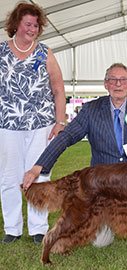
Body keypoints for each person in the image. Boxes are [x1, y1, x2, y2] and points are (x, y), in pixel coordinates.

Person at [23, 62, 127, 247]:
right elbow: (66, 136)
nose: (118, 84)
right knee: (100, 243)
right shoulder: (90, 110)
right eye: (113, 80)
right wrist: (39, 166)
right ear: (106, 84)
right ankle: (108, 222)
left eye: (122, 80)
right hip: (103, 188)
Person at [0, 2, 66, 244]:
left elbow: (58, 89)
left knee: (40, 177)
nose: (33, 29)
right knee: (9, 178)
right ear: (16, 24)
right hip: (7, 126)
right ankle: (12, 228)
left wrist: (60, 122)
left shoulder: (45, 52)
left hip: (41, 126)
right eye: (28, 24)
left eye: (36, 25)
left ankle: (39, 228)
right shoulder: (1, 52)